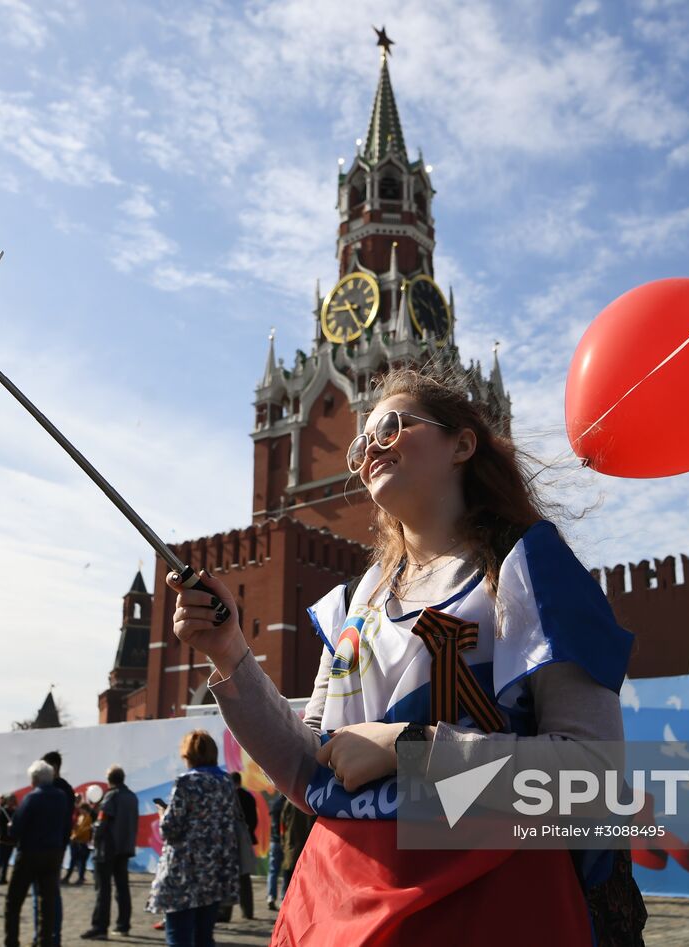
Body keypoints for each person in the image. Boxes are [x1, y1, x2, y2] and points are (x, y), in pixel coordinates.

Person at [169, 366, 640, 944]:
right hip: (337, 901)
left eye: (391, 427)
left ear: (462, 444)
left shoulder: (527, 572)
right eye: (361, 443)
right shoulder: (355, 604)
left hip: (483, 904)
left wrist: (410, 748)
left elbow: (590, 772)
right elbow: (305, 766)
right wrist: (231, 652)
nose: (370, 449)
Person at [145, 731, 240, 947]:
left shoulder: (186, 782)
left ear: (188, 756)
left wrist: (162, 814)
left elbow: (170, 829)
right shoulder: (225, 782)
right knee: (204, 937)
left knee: (179, 937)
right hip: (214, 871)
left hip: (184, 873)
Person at [6, 759, 72, 947]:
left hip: (30, 853)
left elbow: (16, 828)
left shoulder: (32, 798)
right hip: (53, 853)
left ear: (33, 780)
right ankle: (46, 941)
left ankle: (11, 941)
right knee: (47, 902)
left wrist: (13, 827)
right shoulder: (60, 796)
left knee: (13, 902)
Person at [81, 766, 138, 941]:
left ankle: (100, 927)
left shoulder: (111, 796)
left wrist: (92, 834)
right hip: (124, 848)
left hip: (107, 849)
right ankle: (123, 925)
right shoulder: (132, 797)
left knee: (103, 890)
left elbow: (102, 822)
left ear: (109, 779)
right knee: (122, 888)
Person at [32, 751, 74, 945]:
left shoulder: (51, 790)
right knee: (50, 893)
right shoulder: (67, 789)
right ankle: (49, 936)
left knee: (43, 895)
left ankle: (46, 937)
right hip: (58, 847)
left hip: (44, 848)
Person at [227, 772, 257, 921]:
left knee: (229, 875)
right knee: (245, 877)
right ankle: (248, 911)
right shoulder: (249, 797)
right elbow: (254, 820)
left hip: (231, 841)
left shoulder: (229, 798)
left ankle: (225, 913)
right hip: (246, 840)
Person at [265, 790, 285, 911]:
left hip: (274, 841)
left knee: (273, 870)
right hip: (285, 841)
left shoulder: (275, 803)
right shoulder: (289, 804)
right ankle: (284, 898)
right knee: (287, 871)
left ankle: (271, 897)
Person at [65, 803, 93, 885]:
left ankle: (79, 878)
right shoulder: (80, 817)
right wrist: (73, 835)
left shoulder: (88, 818)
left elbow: (82, 829)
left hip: (83, 842)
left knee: (81, 861)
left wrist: (73, 836)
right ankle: (70, 877)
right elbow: (76, 828)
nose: (80, 810)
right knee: (75, 861)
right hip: (77, 841)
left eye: (81, 809)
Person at [0, 795, 17, 885]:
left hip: (10, 840)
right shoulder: (2, 810)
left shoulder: (15, 811)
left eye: (13, 800)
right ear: (7, 801)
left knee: (6, 860)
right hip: (1, 838)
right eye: (11, 800)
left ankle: (3, 878)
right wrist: (7, 825)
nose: (12, 802)